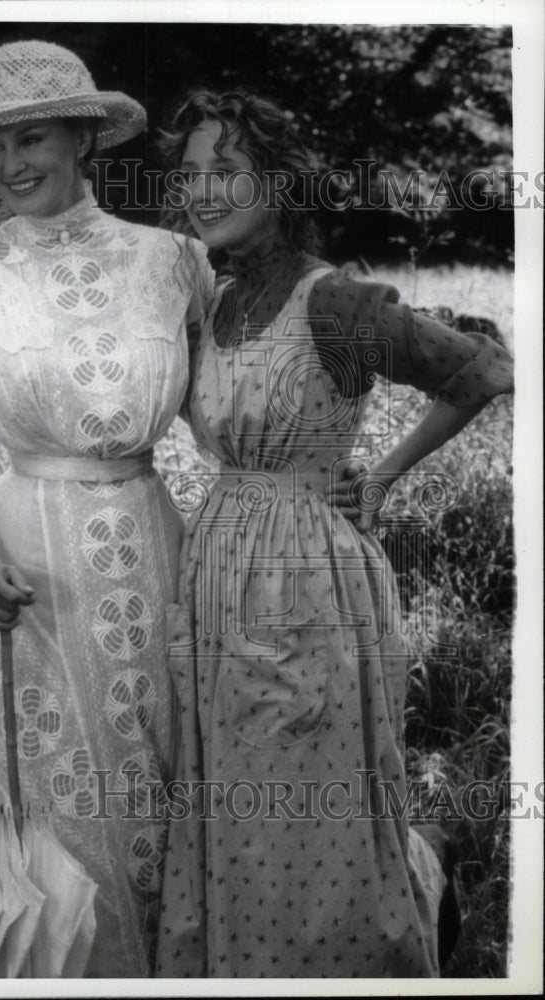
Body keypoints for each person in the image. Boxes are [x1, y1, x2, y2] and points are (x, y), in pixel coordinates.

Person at [154, 90, 514, 977]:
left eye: (226, 170)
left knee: (304, 797)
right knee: (232, 797)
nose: (202, 190)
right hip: (217, 563)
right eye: (191, 172)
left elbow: (483, 368)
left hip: (304, 581)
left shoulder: (333, 302)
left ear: (276, 185)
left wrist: (380, 477)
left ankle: (385, 929)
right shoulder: (215, 303)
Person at [0, 41, 212, 978]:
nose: (9, 167)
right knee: (48, 787)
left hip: (156, 544)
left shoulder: (176, 261)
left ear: (84, 136)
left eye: (30, 138)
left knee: (161, 756)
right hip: (26, 570)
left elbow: (225, 417)